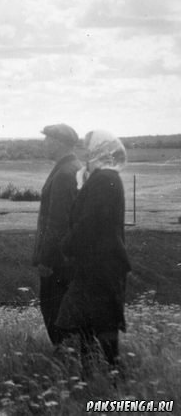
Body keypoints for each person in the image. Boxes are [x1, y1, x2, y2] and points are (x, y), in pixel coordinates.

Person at [56, 130, 131, 372]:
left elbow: (90, 221)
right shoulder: (105, 177)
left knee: (101, 323)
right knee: (90, 321)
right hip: (99, 264)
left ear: (100, 150)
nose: (85, 152)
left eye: (88, 147)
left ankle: (112, 376)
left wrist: (67, 244)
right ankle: (96, 374)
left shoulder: (103, 179)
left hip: (101, 265)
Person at [32, 123, 82, 347]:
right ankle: (73, 360)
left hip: (58, 262)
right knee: (65, 313)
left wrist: (46, 260)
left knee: (55, 313)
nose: (44, 144)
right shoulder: (73, 167)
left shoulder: (64, 173)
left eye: (47, 139)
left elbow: (57, 222)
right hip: (69, 258)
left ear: (58, 143)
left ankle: (67, 361)